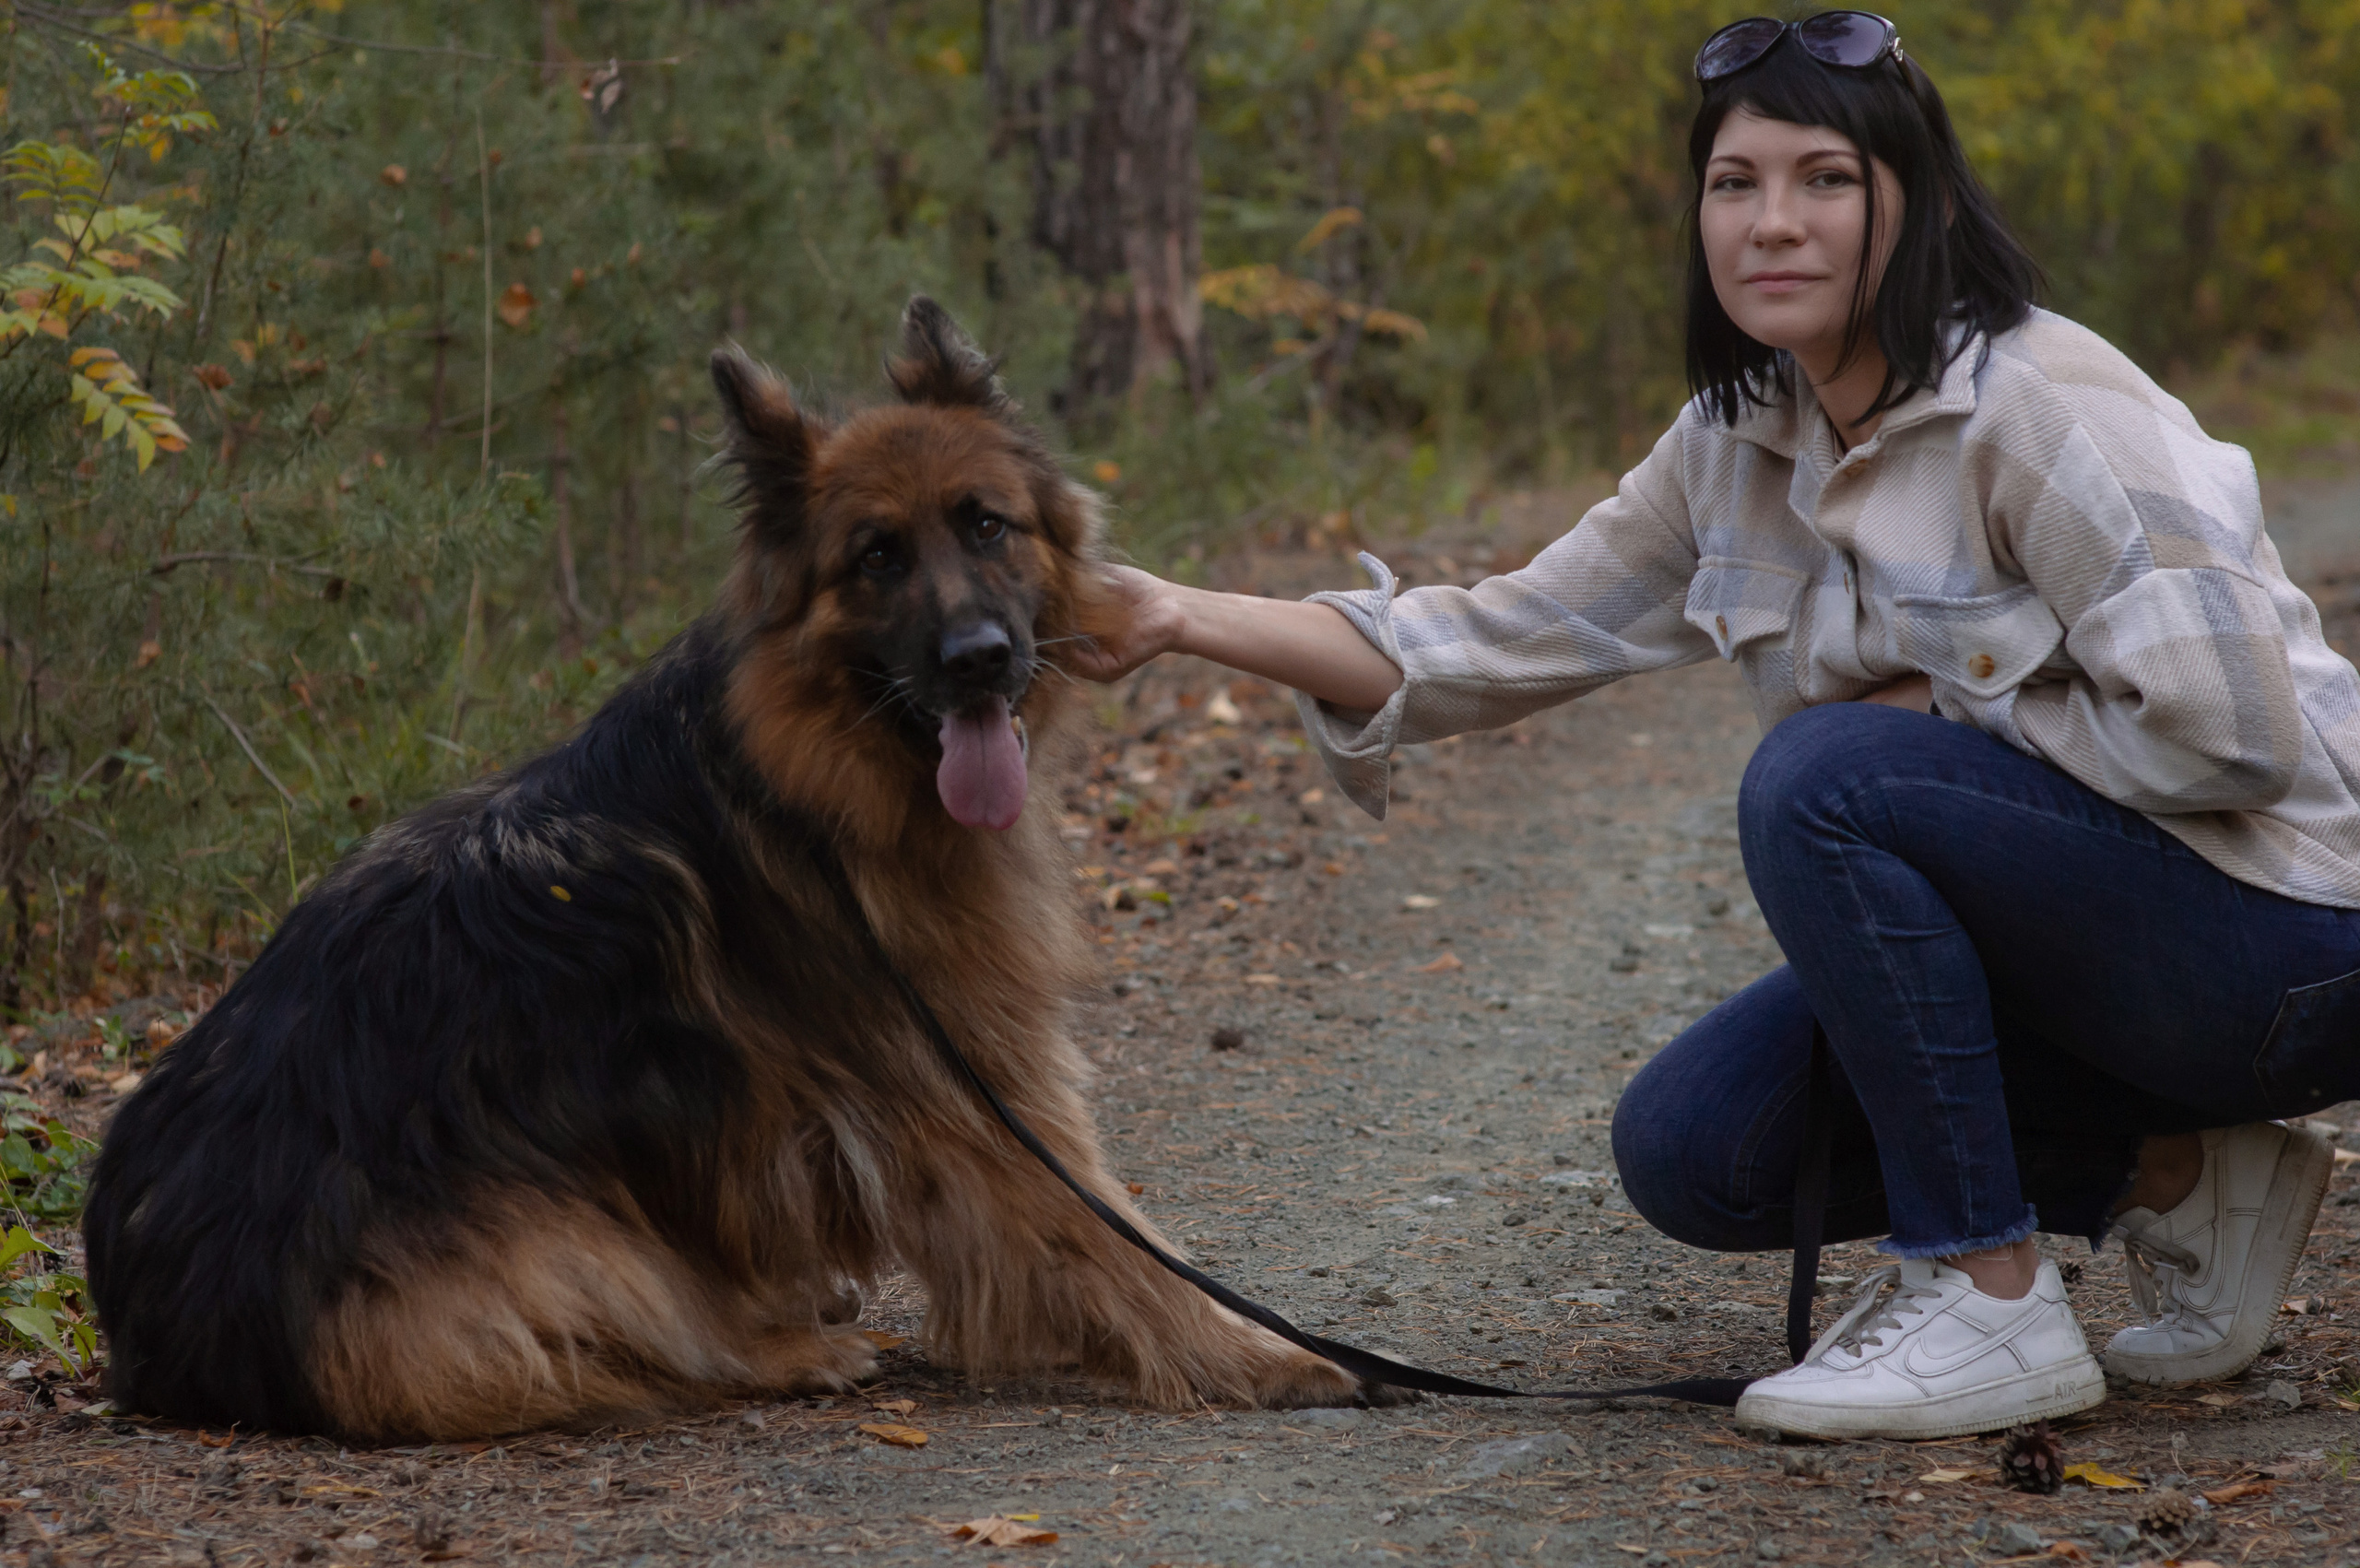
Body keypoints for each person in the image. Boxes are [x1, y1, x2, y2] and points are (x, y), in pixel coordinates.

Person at [1068, 9, 2360, 1441]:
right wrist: (1173, 611)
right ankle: (2186, 1175)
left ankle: (1988, 1292)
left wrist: (1951, 704)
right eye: (1735, 184)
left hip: (2289, 946)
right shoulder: (1737, 441)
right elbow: (1490, 637)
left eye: (1824, 180)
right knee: (1701, 1147)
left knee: (1824, 775)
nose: (1772, 223)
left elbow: (2241, 733)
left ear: (1911, 198)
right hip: (2135, 966)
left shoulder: (2050, 406)